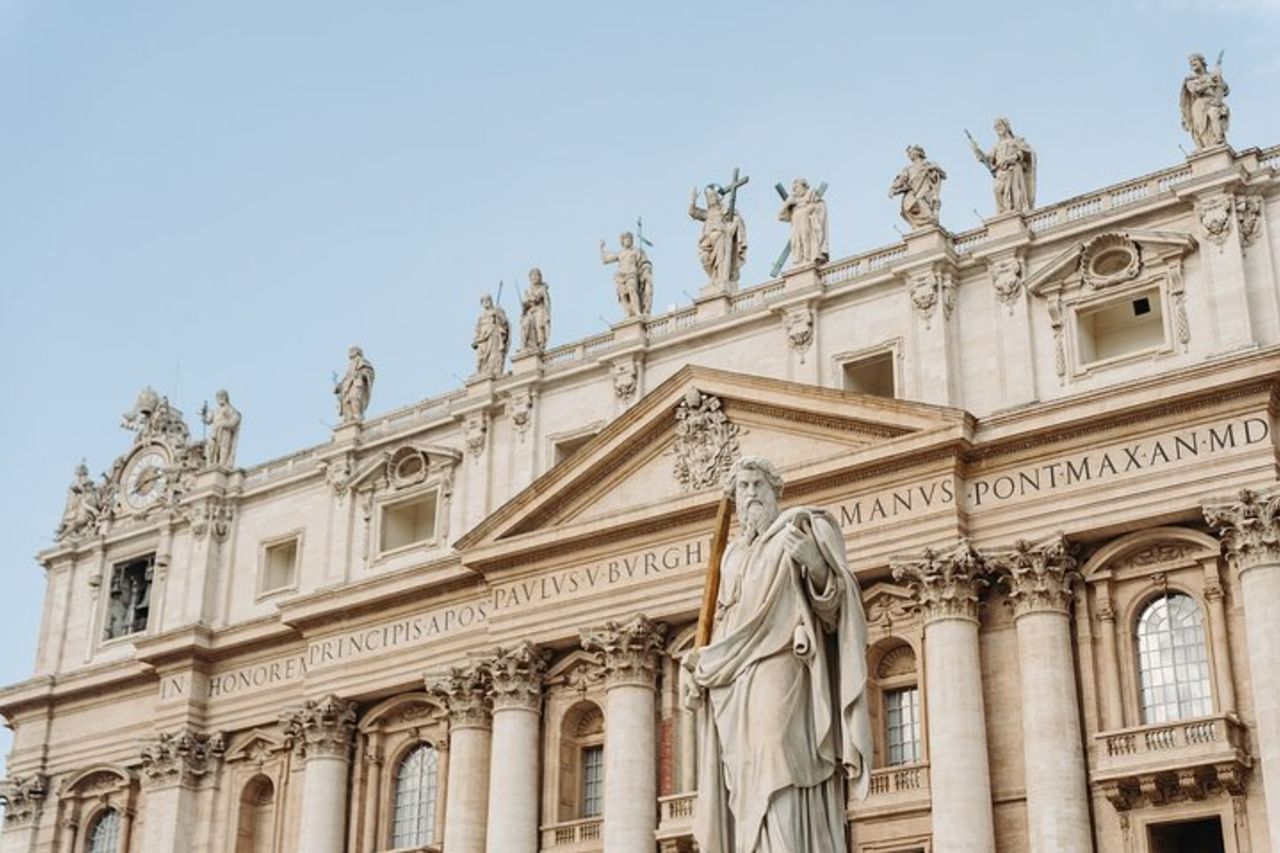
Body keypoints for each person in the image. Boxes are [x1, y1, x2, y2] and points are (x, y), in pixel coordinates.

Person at [688, 455, 871, 853]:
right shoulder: (731, 555)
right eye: (742, 487)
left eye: (758, 484)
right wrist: (705, 661)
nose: (750, 493)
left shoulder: (799, 529)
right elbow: (725, 618)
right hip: (734, 678)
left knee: (778, 755)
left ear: (775, 490)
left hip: (781, 660)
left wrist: (815, 564)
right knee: (745, 772)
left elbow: (834, 613)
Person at [970, 118, 1036, 214]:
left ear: (1007, 126)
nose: (998, 128)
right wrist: (977, 150)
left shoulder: (1016, 141)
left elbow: (1025, 153)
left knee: (1015, 192)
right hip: (1000, 172)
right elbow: (988, 159)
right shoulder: (996, 146)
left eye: (1000, 125)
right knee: (997, 190)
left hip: (1013, 170)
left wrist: (1012, 158)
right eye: (996, 127)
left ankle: (1014, 211)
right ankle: (1003, 211)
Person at [689, 186, 748, 289]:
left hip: (721, 237)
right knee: (704, 258)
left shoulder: (724, 211)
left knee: (721, 260)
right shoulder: (707, 213)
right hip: (707, 241)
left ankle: (721, 281)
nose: (710, 199)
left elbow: (736, 219)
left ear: (717, 198)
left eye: (712, 196)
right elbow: (693, 213)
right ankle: (715, 280)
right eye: (708, 197)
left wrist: (732, 227)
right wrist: (692, 200)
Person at [1180, 52, 1229, 150]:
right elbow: (1195, 90)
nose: (1192, 63)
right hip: (1199, 104)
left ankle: (1218, 141)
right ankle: (1205, 148)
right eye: (1191, 62)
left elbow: (1226, 90)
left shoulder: (1212, 75)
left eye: (1195, 60)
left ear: (1202, 62)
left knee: (1214, 115)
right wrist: (1209, 82)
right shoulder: (1190, 79)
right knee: (1201, 128)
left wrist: (1219, 80)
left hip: (1214, 102)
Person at [889, 145, 946, 229]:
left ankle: (930, 221)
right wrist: (893, 189)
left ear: (918, 152)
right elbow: (901, 180)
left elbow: (943, 175)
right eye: (909, 154)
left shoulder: (929, 164)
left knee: (921, 203)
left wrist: (934, 168)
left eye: (911, 152)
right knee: (908, 207)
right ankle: (924, 225)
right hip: (912, 191)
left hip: (925, 190)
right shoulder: (908, 169)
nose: (909, 155)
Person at [600, 232, 654, 317]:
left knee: (632, 290)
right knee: (622, 295)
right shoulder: (620, 253)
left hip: (631, 274)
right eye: (626, 239)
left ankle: (637, 311)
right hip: (620, 276)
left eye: (629, 238)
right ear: (622, 242)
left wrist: (645, 271)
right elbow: (605, 260)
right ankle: (628, 313)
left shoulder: (636, 251)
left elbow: (644, 262)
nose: (628, 240)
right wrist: (601, 248)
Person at [777, 178, 829, 267]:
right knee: (796, 243)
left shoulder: (812, 196)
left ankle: (808, 260)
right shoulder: (793, 203)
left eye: (796, 187)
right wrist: (787, 204)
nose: (794, 191)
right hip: (796, 226)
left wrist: (810, 208)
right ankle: (799, 262)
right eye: (793, 189)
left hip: (808, 223)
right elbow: (780, 216)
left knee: (806, 239)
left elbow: (820, 207)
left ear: (804, 186)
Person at [472, 294, 510, 377]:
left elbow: (504, 323)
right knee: (482, 357)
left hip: (493, 335)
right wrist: (476, 339)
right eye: (483, 301)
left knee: (494, 353)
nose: (486, 302)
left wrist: (498, 315)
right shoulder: (481, 316)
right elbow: (478, 329)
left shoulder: (496, 311)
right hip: (482, 338)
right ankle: (482, 371)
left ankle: (494, 370)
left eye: (487, 300)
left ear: (491, 301)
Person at [201, 389, 241, 468]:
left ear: (226, 397)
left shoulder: (229, 408)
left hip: (225, 429)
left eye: (222, 396)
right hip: (215, 429)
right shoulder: (214, 410)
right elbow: (208, 420)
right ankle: (212, 462)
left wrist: (228, 424)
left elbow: (236, 418)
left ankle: (222, 463)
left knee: (223, 446)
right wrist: (203, 415)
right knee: (211, 445)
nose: (220, 398)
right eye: (218, 396)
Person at [335, 346, 375, 422]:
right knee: (347, 402)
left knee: (354, 398)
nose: (349, 353)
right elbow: (346, 378)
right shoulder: (350, 365)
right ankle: (349, 419)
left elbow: (369, 371)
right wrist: (339, 386)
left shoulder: (361, 360)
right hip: (348, 386)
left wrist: (360, 373)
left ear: (356, 352)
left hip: (357, 383)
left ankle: (357, 417)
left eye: (351, 351)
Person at [519, 268, 551, 353]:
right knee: (526, 325)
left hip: (539, 310)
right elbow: (525, 305)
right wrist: (525, 304)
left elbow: (547, 302)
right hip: (530, 312)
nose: (535, 277)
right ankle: (526, 345)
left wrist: (547, 314)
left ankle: (540, 345)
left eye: (537, 275)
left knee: (539, 327)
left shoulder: (542, 289)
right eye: (533, 276)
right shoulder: (527, 291)